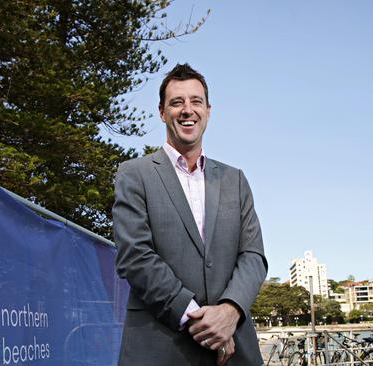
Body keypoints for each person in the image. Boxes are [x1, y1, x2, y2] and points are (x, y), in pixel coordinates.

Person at [112, 63, 267, 366]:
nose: (187, 110)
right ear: (161, 112)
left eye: (196, 101)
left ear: (208, 110)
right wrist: (198, 320)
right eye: (176, 102)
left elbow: (253, 255)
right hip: (160, 347)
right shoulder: (134, 175)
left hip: (235, 347)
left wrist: (229, 312)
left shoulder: (235, 180)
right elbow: (135, 256)